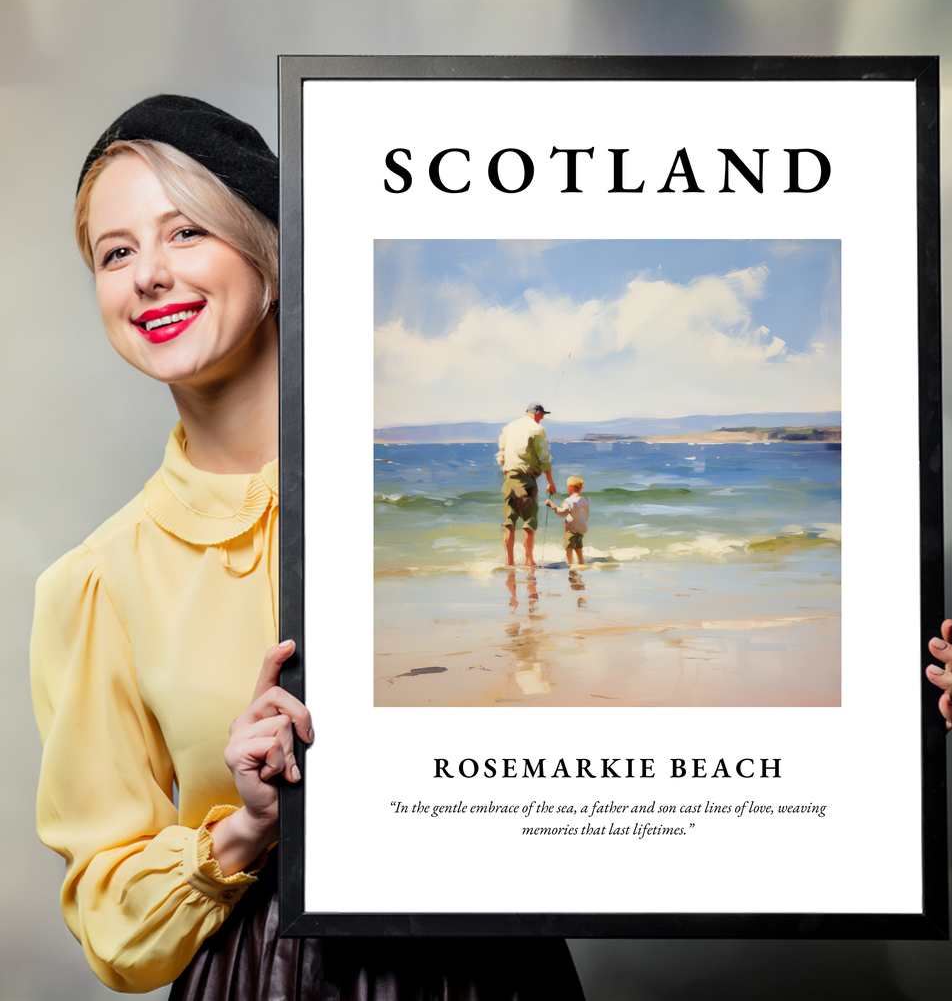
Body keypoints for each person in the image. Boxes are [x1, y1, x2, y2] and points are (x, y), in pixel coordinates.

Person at [30, 95, 584, 999]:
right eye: (116, 252)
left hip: (492, 966)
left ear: (273, 258)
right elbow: (110, 918)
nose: (148, 276)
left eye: (186, 233)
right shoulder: (97, 582)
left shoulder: (416, 499)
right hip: (264, 976)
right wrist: (244, 827)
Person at [496, 403, 557, 566]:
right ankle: (529, 561)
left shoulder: (510, 427)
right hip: (527, 480)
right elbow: (544, 458)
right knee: (529, 522)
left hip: (509, 479)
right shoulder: (537, 429)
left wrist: (505, 469)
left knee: (509, 523)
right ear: (536, 413)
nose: (543, 417)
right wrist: (551, 482)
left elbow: (501, 450)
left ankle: (509, 563)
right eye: (542, 414)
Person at [545, 475, 589, 565]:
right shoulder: (585, 501)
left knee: (569, 547)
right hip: (581, 529)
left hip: (571, 529)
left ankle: (570, 563)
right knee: (578, 547)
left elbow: (562, 513)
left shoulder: (568, 501)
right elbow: (586, 515)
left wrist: (552, 505)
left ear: (571, 488)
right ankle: (581, 562)